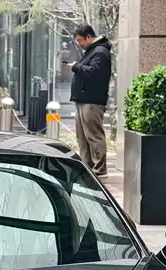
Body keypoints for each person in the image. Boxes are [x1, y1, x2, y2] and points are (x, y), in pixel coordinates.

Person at [68, 24, 112, 179]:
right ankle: (87, 167)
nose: (79, 43)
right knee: (82, 138)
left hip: (92, 101)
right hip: (83, 100)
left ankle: (99, 169)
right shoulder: (92, 51)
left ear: (88, 37)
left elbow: (94, 73)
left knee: (93, 136)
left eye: (80, 40)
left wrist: (76, 67)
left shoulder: (100, 52)